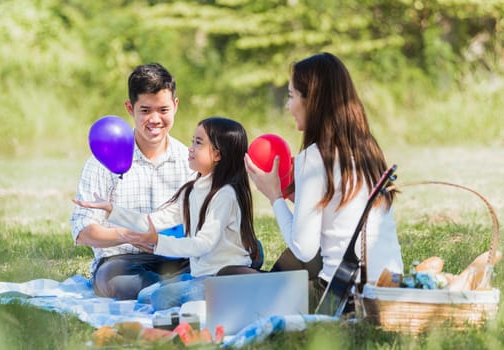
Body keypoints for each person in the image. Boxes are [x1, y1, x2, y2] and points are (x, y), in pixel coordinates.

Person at [221, 52, 404, 314]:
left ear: (312, 101)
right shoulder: (367, 149)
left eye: (291, 96)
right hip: (387, 289)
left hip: (342, 298)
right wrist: (297, 196)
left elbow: (304, 250)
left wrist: (274, 196)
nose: (288, 105)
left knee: (228, 277)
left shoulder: (315, 157)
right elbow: (342, 220)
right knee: (287, 263)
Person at [73, 117, 261, 309]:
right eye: (192, 141)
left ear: (217, 155)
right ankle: (222, 290)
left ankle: (243, 287)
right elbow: (153, 220)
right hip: (200, 274)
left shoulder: (225, 195)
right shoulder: (191, 190)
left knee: (160, 299)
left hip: (220, 275)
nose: (190, 148)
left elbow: (203, 245)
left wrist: (157, 242)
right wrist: (111, 210)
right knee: (146, 296)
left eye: (198, 143)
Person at [71, 63, 193, 300]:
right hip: (122, 261)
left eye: (163, 110)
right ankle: (182, 291)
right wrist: (129, 234)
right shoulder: (102, 161)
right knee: (117, 281)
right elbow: (84, 231)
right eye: (145, 110)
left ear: (175, 106)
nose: (155, 119)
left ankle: (173, 289)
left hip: (178, 257)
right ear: (130, 108)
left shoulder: (188, 160)